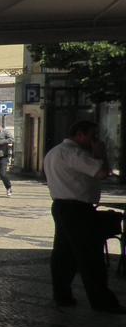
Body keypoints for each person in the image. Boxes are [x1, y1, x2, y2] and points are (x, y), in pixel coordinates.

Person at [43, 119, 124, 313]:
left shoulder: (54, 152)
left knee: (64, 254)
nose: (94, 140)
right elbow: (102, 172)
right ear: (80, 134)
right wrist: (101, 152)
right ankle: (102, 302)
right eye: (92, 136)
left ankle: (62, 296)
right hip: (78, 210)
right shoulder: (74, 153)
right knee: (90, 257)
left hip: (61, 206)